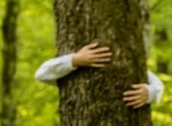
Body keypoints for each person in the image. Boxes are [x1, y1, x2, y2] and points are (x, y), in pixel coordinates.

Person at [34, 43, 163, 108]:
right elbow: (42, 73)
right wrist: (75, 60)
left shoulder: (131, 65)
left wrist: (149, 93)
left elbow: (158, 85)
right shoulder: (69, 72)